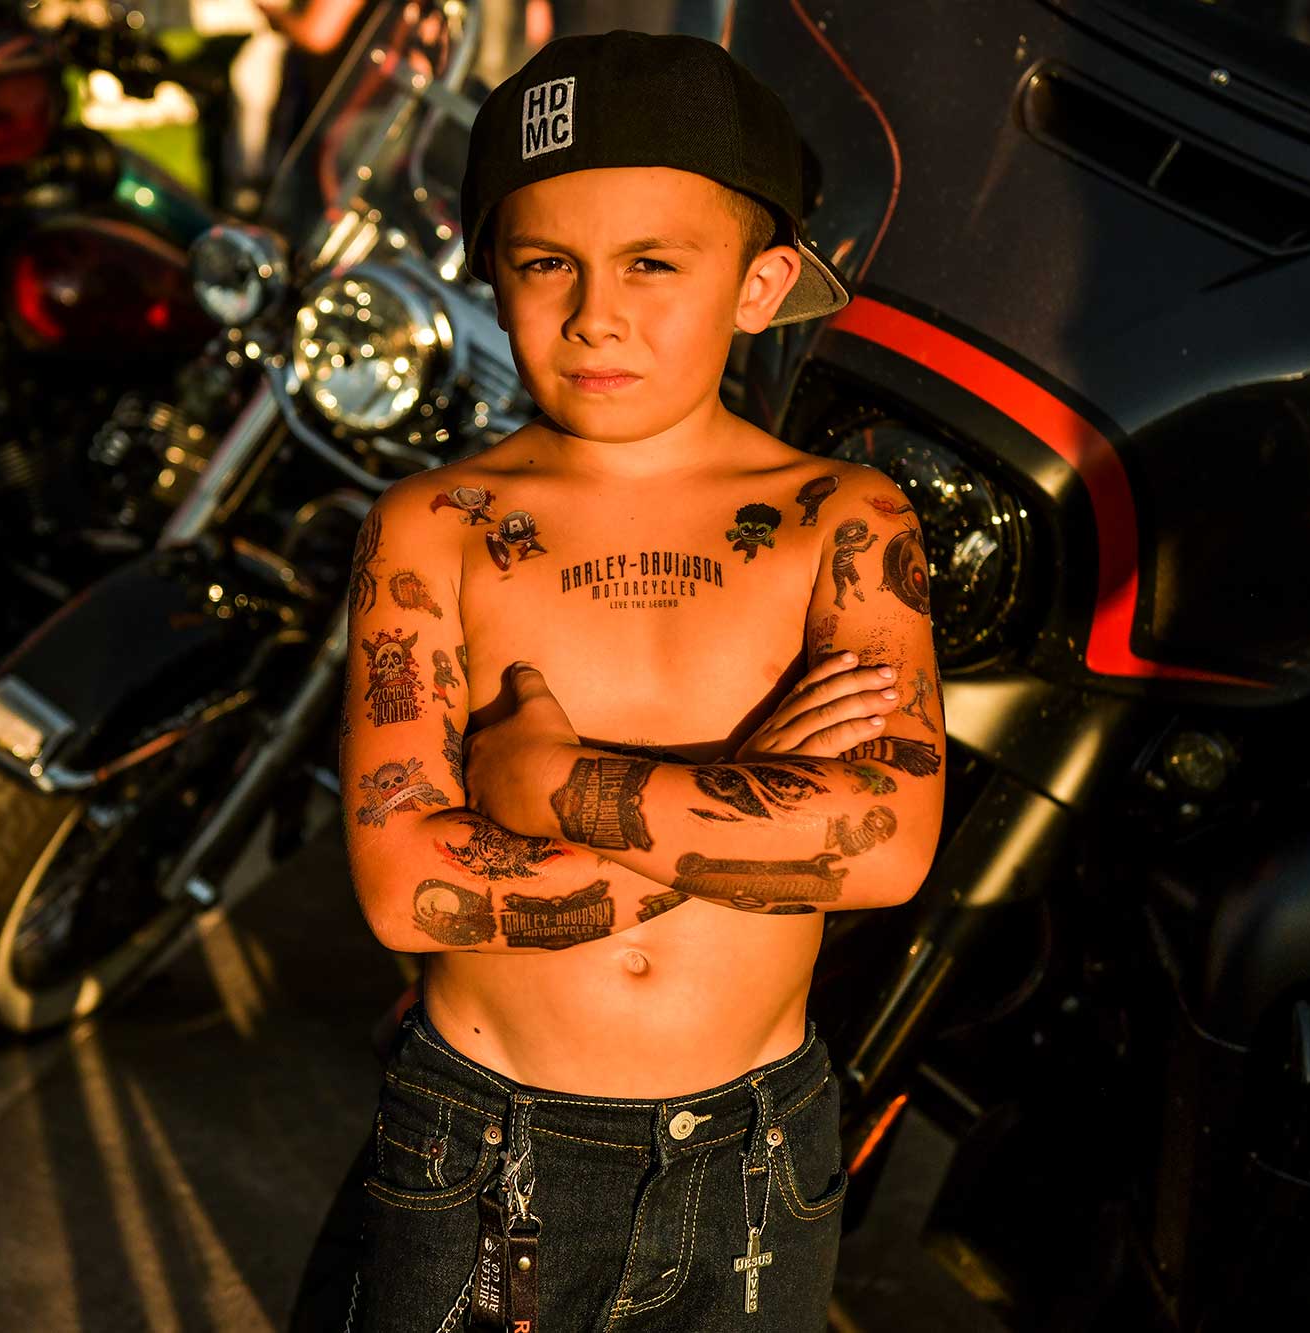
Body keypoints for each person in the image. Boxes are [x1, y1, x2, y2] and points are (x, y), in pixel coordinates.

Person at [334, 30, 944, 1330]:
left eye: (653, 264)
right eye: (545, 261)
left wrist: (554, 783)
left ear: (763, 281)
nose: (595, 312)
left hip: (756, 1158)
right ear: (494, 273)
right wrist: (752, 783)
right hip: (485, 1148)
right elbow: (408, 890)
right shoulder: (436, 526)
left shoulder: (844, 524)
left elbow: (883, 846)